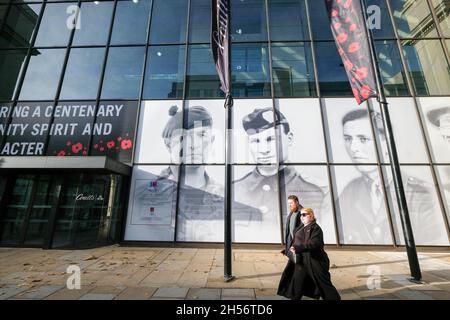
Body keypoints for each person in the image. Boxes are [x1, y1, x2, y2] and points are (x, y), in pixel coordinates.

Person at [337, 109, 446, 245]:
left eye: (363, 139)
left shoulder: (422, 194)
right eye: (348, 139)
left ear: (386, 144)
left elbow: (435, 246)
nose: (353, 148)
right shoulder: (349, 192)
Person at [232, 107, 324, 242]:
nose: (264, 150)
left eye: (271, 139)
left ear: (290, 139)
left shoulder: (314, 193)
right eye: (256, 141)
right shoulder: (235, 190)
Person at [138, 105, 224, 241]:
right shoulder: (145, 194)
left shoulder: (224, 194)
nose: (194, 145)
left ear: (211, 141)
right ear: (168, 144)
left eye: (202, 135)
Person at [278, 207, 341, 300]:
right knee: (297, 282)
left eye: (304, 215)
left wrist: (298, 248)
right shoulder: (301, 227)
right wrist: (288, 250)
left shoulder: (315, 229)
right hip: (301, 261)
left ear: (311, 216)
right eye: (300, 215)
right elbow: (296, 241)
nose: (301, 217)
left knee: (324, 285)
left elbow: (315, 244)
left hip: (315, 262)